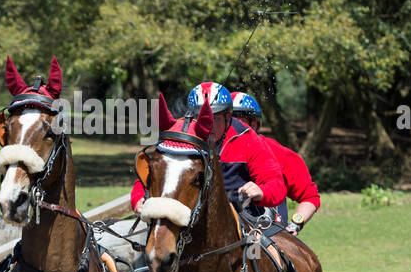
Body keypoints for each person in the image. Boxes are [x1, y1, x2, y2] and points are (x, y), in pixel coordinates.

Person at [131, 81, 287, 225]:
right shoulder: (182, 134)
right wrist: (138, 199)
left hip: (241, 216)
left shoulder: (247, 138)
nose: (208, 125)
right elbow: (153, 174)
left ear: (228, 117)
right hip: (187, 215)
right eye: (201, 118)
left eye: (216, 118)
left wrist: (262, 191)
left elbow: (276, 184)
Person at [231, 90, 320, 235]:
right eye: (227, 120)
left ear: (255, 124)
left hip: (269, 237)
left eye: (238, 120)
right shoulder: (210, 152)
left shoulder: (279, 153)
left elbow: (310, 197)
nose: (233, 127)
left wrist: (294, 225)